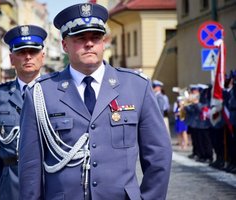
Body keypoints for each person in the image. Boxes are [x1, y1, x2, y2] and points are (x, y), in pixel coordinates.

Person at [18, 3, 172, 200]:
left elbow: (159, 155)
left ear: (104, 42)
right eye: (80, 38)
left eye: (95, 37)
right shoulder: (41, 93)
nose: (89, 44)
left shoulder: (136, 87)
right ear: (65, 45)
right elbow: (30, 165)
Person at [0, 25, 47, 200]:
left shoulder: (58, 93)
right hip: (11, 184)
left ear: (43, 57)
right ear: (11, 59)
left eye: (33, 51)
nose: (27, 56)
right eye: (21, 52)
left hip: (49, 183)